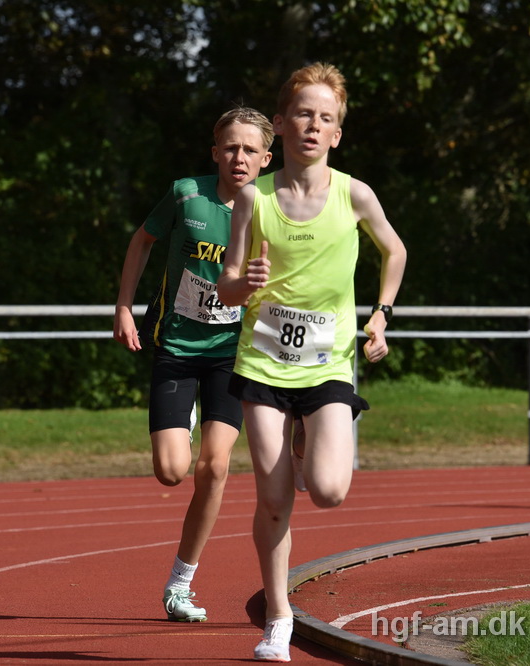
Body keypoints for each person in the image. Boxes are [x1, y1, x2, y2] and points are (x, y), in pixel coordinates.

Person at [218, 61, 406, 662]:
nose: (312, 125)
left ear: (337, 134)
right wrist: (243, 283)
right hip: (264, 365)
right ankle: (278, 618)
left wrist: (381, 315)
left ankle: (308, 442)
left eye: (325, 118)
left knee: (327, 491)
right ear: (281, 123)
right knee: (273, 499)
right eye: (302, 113)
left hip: (328, 364)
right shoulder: (253, 197)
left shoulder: (355, 194)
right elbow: (225, 287)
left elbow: (395, 249)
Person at [113, 107, 274, 622]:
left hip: (232, 353)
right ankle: (181, 421)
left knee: (217, 466)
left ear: (267, 159)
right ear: (215, 152)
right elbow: (143, 241)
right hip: (178, 348)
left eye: (250, 150)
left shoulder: (275, 210)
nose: (239, 157)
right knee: (171, 471)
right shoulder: (187, 194)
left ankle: (180, 583)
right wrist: (122, 306)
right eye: (230, 147)